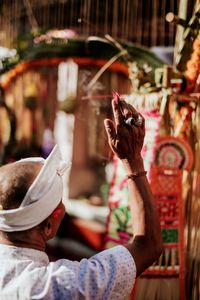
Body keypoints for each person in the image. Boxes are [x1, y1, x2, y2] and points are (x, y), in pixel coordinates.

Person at [0, 97, 162, 300]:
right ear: (49, 226)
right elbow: (149, 246)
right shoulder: (59, 286)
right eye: (60, 204)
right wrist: (133, 160)